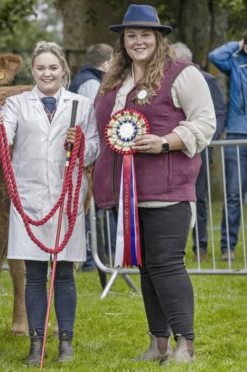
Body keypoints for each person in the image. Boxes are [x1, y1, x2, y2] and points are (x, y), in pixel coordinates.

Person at [93, 4, 215, 363]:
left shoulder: (183, 74)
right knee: (146, 267)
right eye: (131, 35)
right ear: (123, 41)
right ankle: (158, 343)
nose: (138, 41)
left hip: (168, 191)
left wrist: (166, 141)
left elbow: (205, 123)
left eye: (146, 34)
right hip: (127, 194)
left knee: (166, 264)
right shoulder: (115, 80)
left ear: (159, 38)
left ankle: (185, 346)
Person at [0, 41, 99, 365]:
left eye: (53, 68)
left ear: (63, 70)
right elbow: (1, 142)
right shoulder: (17, 105)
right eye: (40, 68)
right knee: (35, 274)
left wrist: (82, 145)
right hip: (30, 199)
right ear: (32, 71)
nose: (47, 73)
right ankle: (36, 343)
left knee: (64, 273)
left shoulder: (82, 105)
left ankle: (66, 342)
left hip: (66, 197)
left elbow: (94, 147)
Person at [171, 42, 227, 261]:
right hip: (171, 148)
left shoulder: (206, 80)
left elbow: (218, 113)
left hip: (198, 148)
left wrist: (206, 139)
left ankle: (200, 246)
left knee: (200, 198)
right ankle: (176, 247)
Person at [69, 43, 114, 272]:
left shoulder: (89, 79)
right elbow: (95, 117)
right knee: (86, 206)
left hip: (87, 151)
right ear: (107, 62)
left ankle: (96, 255)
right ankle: (87, 257)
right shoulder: (91, 84)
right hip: (86, 153)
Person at [208, 32, 247, 262]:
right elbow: (215, 55)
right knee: (233, 194)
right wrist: (239, 44)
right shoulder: (235, 61)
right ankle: (227, 246)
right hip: (237, 134)